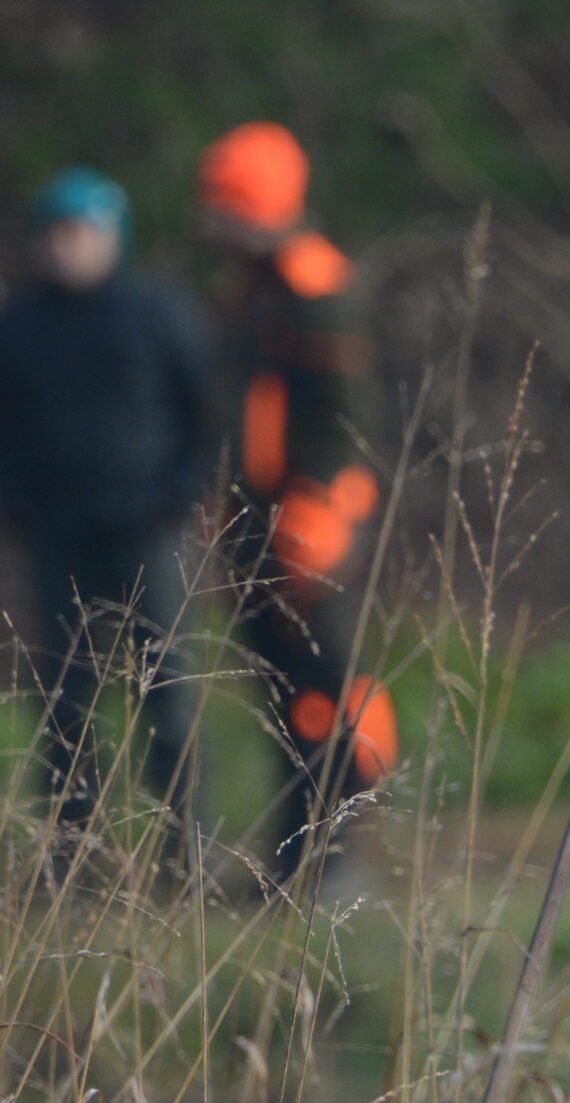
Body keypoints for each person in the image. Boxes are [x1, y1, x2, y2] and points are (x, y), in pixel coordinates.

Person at [195, 121, 395, 874]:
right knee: (282, 688)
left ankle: (340, 854)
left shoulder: (315, 286)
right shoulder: (248, 291)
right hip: (255, 520)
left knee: (330, 683)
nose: (211, 223)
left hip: (312, 522)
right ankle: (295, 857)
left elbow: (346, 413)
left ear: (256, 205)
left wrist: (323, 507)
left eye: (223, 206)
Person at [0, 167, 213, 862]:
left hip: (148, 531)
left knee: (167, 691)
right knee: (65, 702)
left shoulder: (158, 315)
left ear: (112, 237)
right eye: (54, 234)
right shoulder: (20, 325)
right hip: (56, 537)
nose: (66, 248)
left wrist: (184, 492)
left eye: (80, 233)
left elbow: (204, 413)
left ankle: (186, 855)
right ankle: (73, 859)